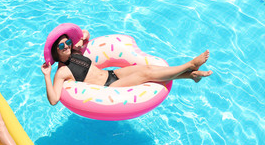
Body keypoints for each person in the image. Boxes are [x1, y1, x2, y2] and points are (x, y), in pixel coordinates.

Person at [41, 29, 213, 105]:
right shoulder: (62, 72)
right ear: (55, 54)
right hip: (108, 87)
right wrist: (47, 75)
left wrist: (78, 39)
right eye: (62, 46)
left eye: (68, 42)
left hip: (112, 74)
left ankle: (191, 75)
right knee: (146, 75)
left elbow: (85, 33)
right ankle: (190, 65)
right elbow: (54, 100)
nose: (68, 47)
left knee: (147, 68)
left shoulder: (76, 52)